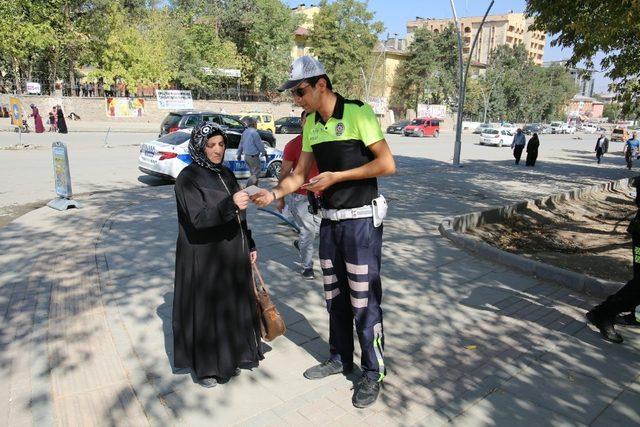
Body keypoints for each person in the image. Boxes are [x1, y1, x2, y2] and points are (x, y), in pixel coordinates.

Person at [250, 55, 396, 408]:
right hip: (330, 222)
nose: (296, 99)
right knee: (335, 298)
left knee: (364, 301)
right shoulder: (312, 123)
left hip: (361, 222)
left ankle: (372, 372)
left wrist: (337, 177)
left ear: (321, 85)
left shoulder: (358, 113)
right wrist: (275, 193)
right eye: (293, 94)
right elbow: (299, 173)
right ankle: (339, 357)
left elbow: (386, 164)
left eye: (300, 91)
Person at [172, 122, 263, 387]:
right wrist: (229, 204)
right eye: (211, 145)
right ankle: (207, 368)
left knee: (228, 305)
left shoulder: (225, 173)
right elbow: (197, 219)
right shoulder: (187, 178)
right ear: (200, 146)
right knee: (207, 308)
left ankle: (230, 358)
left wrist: (250, 243)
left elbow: (238, 214)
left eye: (221, 144)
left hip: (231, 251)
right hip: (203, 255)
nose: (217, 150)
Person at [276, 111, 320, 280]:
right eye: (307, 120)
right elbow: (285, 172)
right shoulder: (293, 145)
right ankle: (307, 266)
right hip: (302, 197)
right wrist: (279, 197)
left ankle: (301, 243)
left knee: (319, 232)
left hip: (324, 197)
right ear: (301, 122)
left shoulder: (325, 143)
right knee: (309, 232)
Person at [237, 117, 267, 187]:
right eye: (256, 123)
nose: (256, 125)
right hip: (253, 157)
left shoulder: (245, 132)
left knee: (253, 174)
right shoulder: (254, 133)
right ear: (254, 124)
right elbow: (259, 144)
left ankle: (253, 190)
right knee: (255, 175)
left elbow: (241, 144)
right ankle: (248, 188)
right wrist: (264, 152)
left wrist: (239, 154)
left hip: (247, 156)